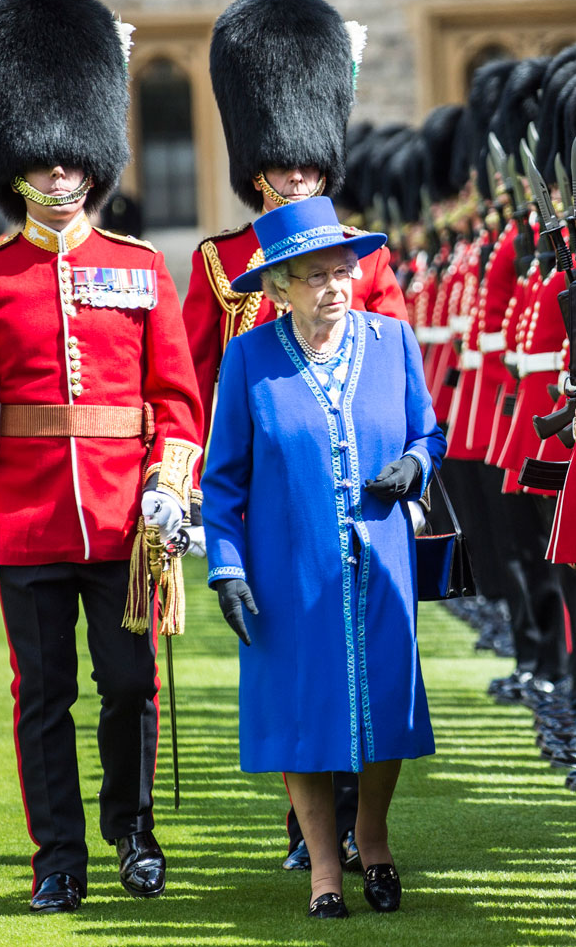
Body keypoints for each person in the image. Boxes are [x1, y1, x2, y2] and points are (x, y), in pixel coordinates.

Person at [0, 0, 204, 914]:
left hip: (126, 519)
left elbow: (176, 398)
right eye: (42, 164)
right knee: (41, 699)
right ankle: (60, 857)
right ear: (17, 168)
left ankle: (133, 831)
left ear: (93, 161)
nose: (58, 178)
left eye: (71, 162)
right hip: (27, 521)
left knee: (129, 687)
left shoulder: (138, 269)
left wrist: (171, 485)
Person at [183, 0, 408, 870]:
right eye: (281, 168)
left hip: (355, 487)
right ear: (257, 173)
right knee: (294, 667)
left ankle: (360, 829)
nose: (295, 178)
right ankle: (307, 836)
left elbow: (388, 368)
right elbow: (205, 381)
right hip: (268, 483)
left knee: (363, 655)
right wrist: (203, 497)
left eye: (308, 167)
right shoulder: (218, 262)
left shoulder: (367, 263)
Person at [202, 195, 445, 919]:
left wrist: (414, 465)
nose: (335, 287)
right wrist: (227, 568)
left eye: (344, 271)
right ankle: (322, 871)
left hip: (381, 565)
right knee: (300, 716)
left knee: (384, 710)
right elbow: (222, 482)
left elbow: (428, 435)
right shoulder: (248, 359)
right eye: (315, 276)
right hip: (289, 569)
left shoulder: (393, 340)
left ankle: (373, 841)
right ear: (279, 287)